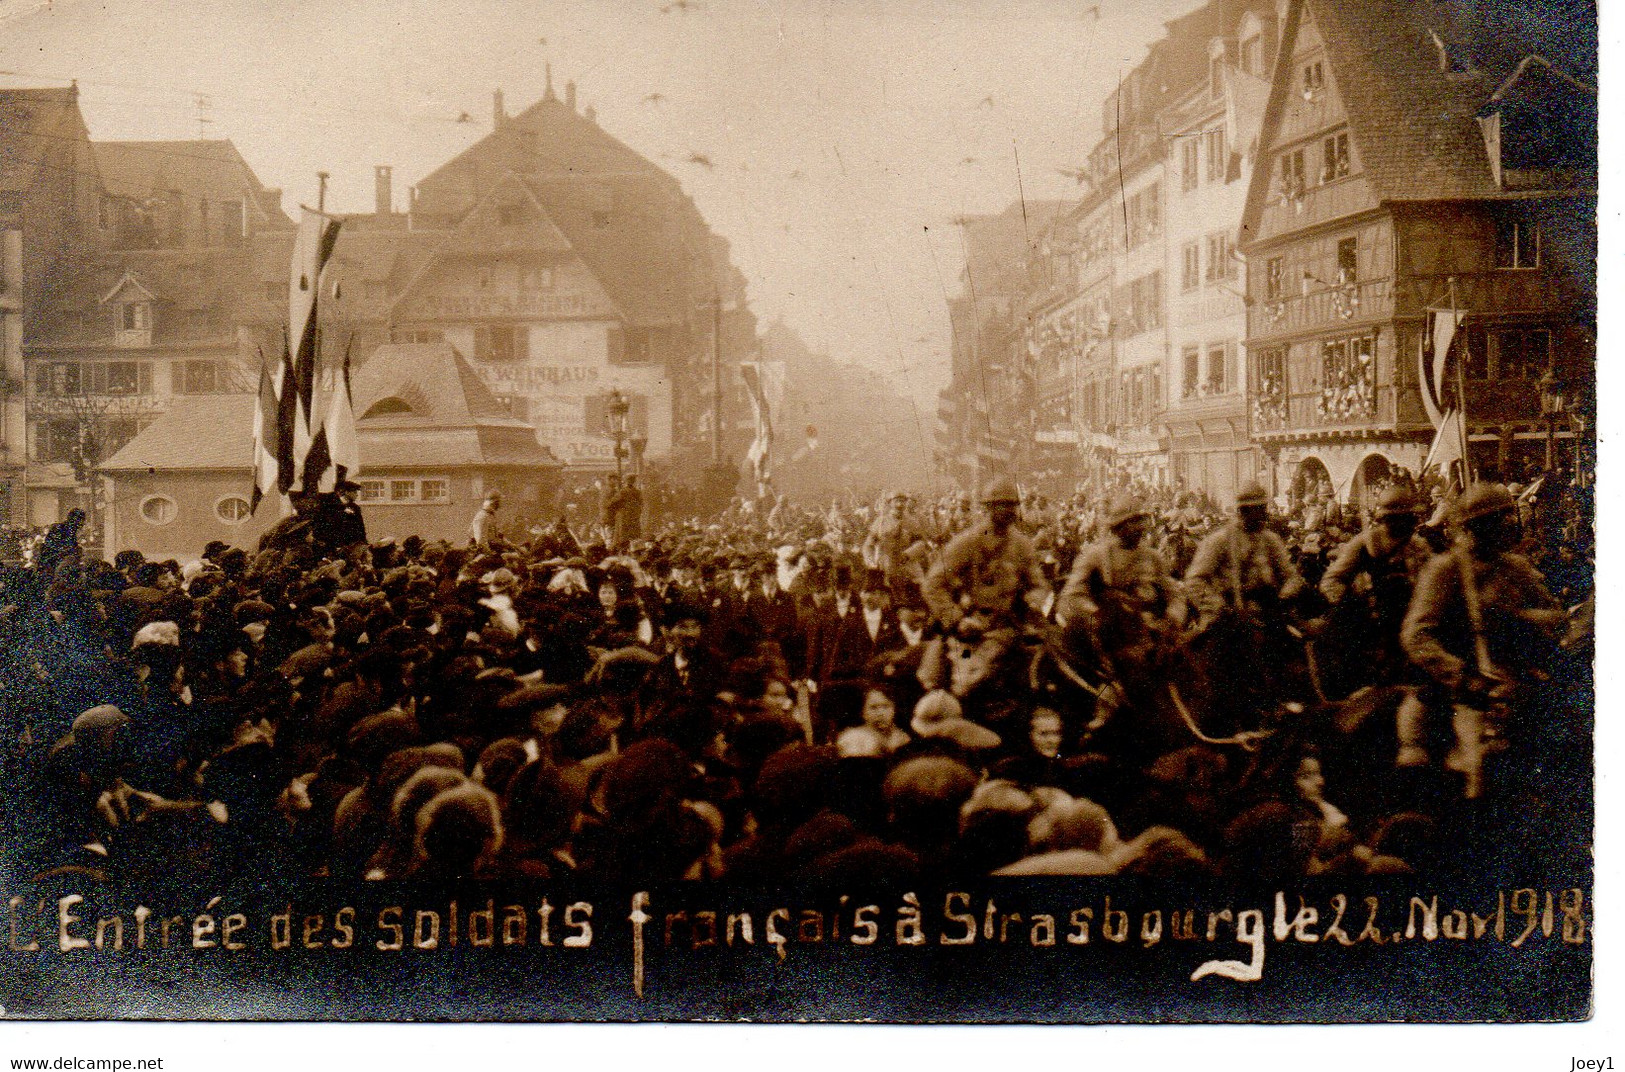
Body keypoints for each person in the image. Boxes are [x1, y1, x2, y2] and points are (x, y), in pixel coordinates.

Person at [1400, 482, 1565, 792]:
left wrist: (1527, 620)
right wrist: (1460, 675)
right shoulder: (1445, 569)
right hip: (1467, 690)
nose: (1508, 525)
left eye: (1507, 516)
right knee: (1481, 769)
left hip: (1515, 680)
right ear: (1476, 527)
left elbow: (1552, 615)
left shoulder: (1516, 567)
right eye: (1498, 519)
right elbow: (1416, 636)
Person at [920, 477, 1050, 696]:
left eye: (1013, 505)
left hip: (1009, 627)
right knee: (967, 682)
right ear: (989, 507)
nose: (1010, 510)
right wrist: (957, 619)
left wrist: (1033, 601)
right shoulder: (967, 543)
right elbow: (933, 584)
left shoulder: (1021, 544)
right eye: (1004, 504)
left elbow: (1038, 584)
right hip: (970, 634)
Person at [1056, 495, 1182, 628]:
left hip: (1150, 629)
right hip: (1111, 632)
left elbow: (1173, 593)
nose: (1140, 527)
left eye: (1141, 521)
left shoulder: (1152, 557)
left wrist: (1173, 617)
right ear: (1119, 525)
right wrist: (1097, 614)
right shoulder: (1097, 555)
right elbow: (1071, 597)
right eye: (1134, 522)